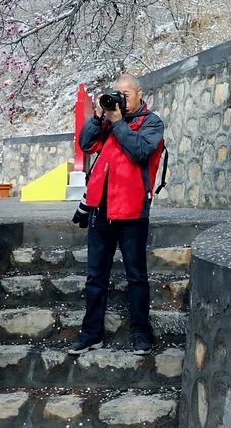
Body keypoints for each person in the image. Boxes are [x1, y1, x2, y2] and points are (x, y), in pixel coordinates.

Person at [68, 74, 165, 356]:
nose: (121, 98)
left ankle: (140, 333)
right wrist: (99, 117)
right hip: (101, 211)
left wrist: (118, 122)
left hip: (133, 212)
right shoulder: (110, 123)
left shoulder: (151, 122)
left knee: (136, 276)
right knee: (95, 277)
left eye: (126, 93)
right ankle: (91, 334)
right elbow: (86, 144)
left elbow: (140, 151)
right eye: (117, 93)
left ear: (139, 93)